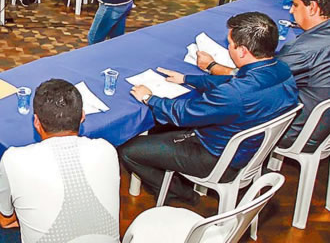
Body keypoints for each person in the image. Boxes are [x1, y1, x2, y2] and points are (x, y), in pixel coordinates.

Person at [122, 12, 299, 203]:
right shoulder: (282, 70)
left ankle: (182, 194)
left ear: (242, 51)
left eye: (230, 44)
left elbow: (182, 114)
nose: (229, 49)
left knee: (129, 151)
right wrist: (187, 79)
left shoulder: (234, 94)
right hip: (252, 149)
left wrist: (149, 97)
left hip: (216, 157)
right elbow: (233, 80)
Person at [197, 0, 330, 153]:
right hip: (320, 122)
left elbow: (258, 79)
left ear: (312, 7)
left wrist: (212, 66)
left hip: (296, 129)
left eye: (296, 5)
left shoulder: (304, 50)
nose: (291, 10)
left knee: (222, 108)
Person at [0, 79, 120, 243]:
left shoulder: (13, 160)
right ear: (82, 116)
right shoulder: (107, 150)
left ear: (36, 122)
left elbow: (5, 220)